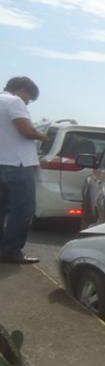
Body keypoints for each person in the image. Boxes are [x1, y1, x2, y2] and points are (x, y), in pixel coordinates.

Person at [0, 76, 48, 264]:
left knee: (2, 208)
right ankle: (11, 251)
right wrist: (43, 136)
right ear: (22, 90)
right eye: (29, 99)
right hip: (17, 164)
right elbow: (26, 131)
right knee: (23, 209)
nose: (27, 103)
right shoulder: (14, 101)